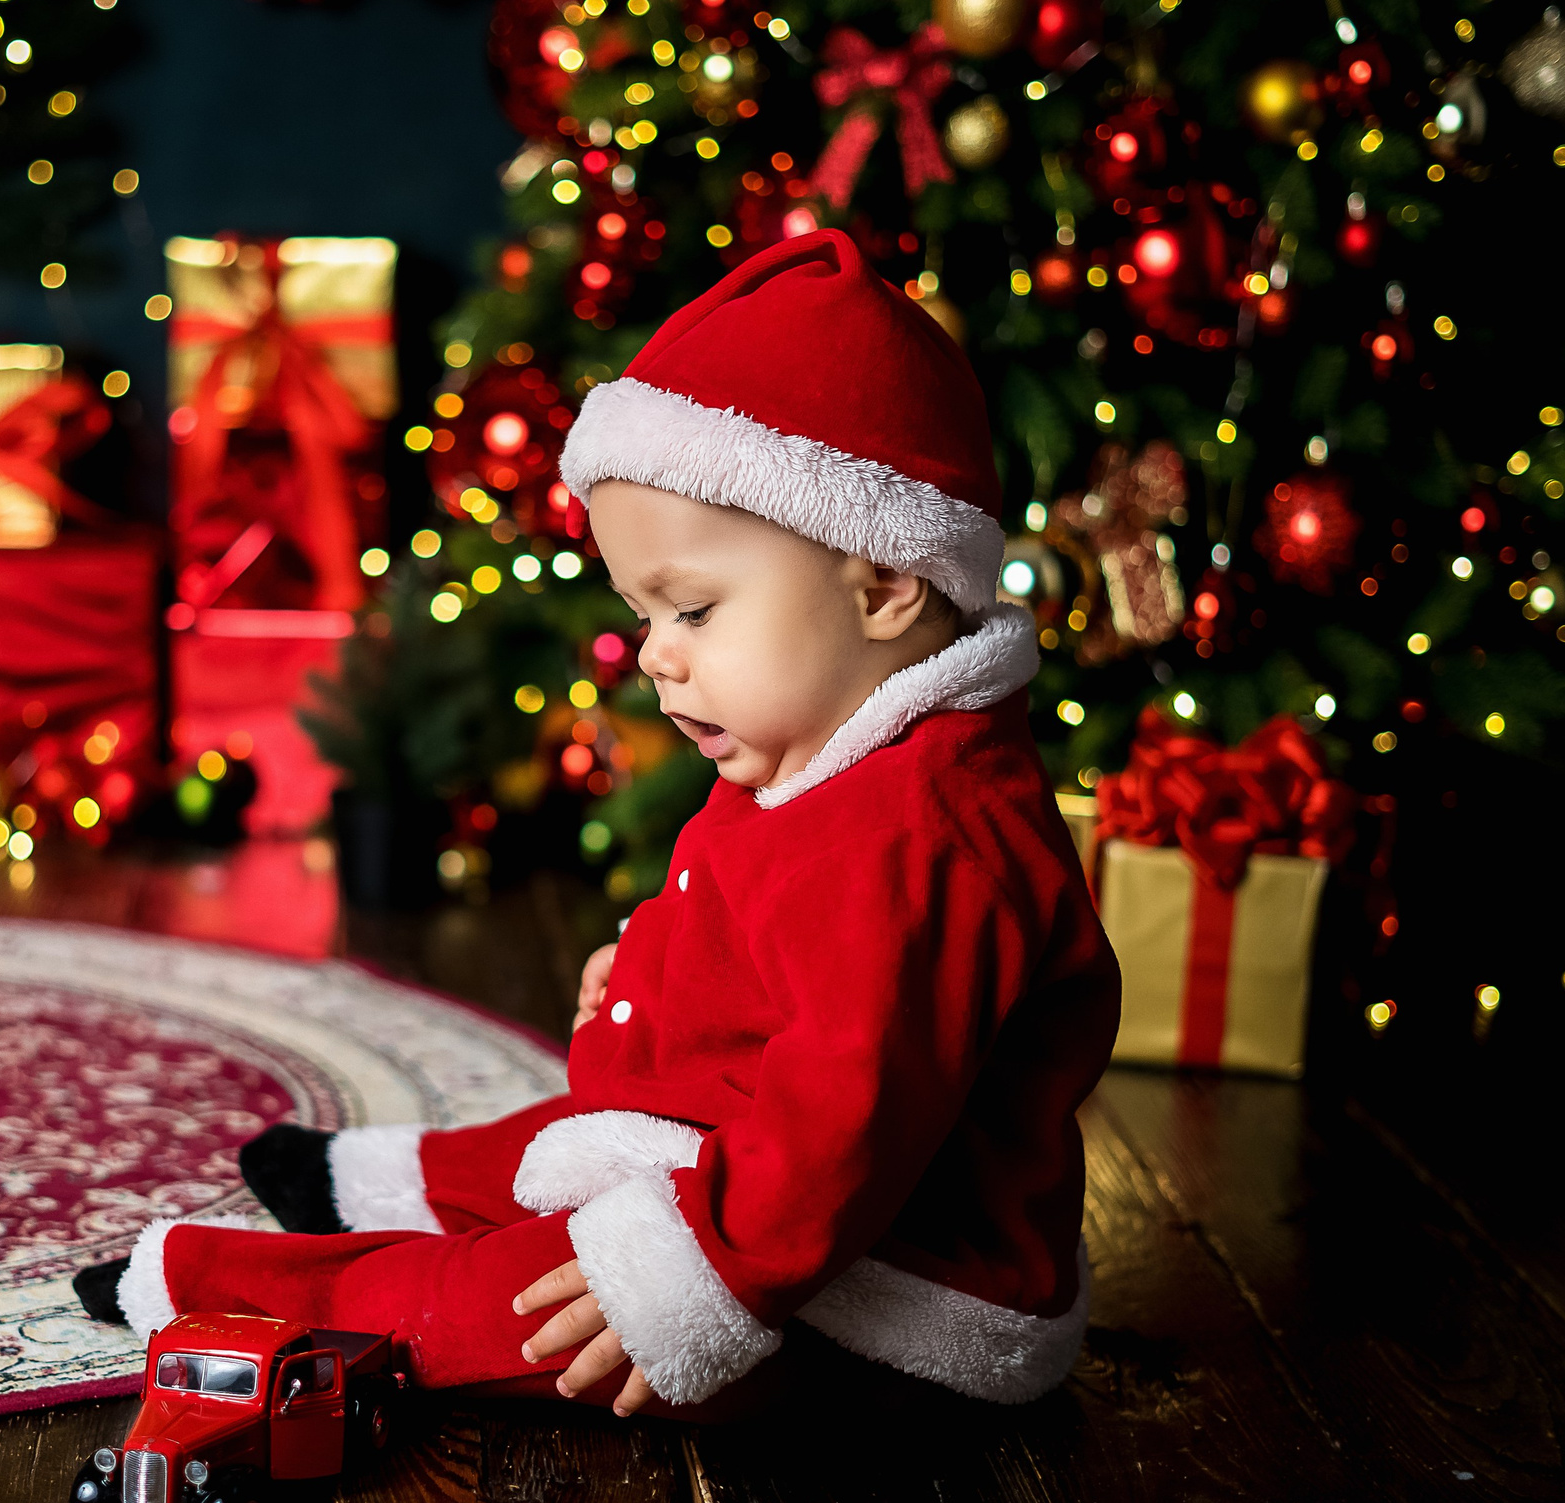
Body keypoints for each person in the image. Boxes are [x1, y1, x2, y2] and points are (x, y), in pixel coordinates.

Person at [73, 229, 1120, 1417]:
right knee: (550, 1135)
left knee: (509, 1299)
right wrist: (657, 971)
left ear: (883, 585)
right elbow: (764, 935)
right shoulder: (834, 741)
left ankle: (238, 1290)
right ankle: (385, 1180)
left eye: (693, 610)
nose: (657, 659)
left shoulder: (923, 834)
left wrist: (687, 1282)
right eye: (643, 613)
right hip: (771, 1181)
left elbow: (848, 1120)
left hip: (883, 1279)